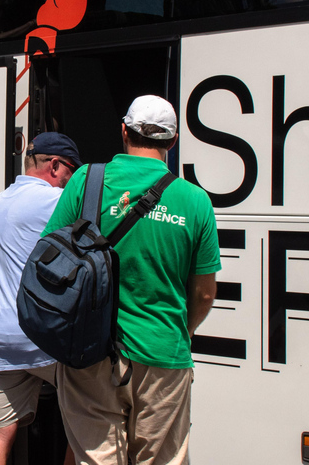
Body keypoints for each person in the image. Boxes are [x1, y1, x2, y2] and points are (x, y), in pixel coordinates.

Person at [42, 95, 221, 465]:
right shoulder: (196, 201)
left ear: (123, 131)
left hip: (90, 354)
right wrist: (179, 332)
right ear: (172, 142)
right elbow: (204, 295)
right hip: (164, 356)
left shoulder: (85, 181)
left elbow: (48, 258)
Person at [0, 132, 81, 465]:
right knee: (85, 431)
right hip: (39, 336)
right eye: (71, 173)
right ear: (55, 165)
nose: (71, 182)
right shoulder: (54, 201)